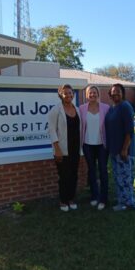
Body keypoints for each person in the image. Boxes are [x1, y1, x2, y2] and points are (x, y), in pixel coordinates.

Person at [48, 84, 81, 212]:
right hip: (62, 149)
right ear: (60, 95)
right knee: (64, 176)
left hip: (75, 149)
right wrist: (56, 149)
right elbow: (51, 130)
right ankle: (63, 200)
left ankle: (71, 199)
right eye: (65, 93)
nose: (68, 95)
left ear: (73, 94)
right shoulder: (56, 110)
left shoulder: (77, 109)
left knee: (74, 175)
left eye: (70, 93)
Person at [105, 83, 135, 211]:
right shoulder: (113, 108)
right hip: (114, 150)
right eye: (113, 91)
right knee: (119, 177)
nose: (115, 93)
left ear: (122, 93)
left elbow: (129, 130)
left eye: (118, 91)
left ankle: (128, 204)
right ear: (110, 94)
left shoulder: (125, 106)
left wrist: (124, 149)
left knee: (125, 178)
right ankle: (122, 200)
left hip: (124, 151)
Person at [79, 86, 110, 211]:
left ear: (98, 94)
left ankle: (103, 199)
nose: (92, 94)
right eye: (90, 93)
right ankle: (94, 196)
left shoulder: (106, 108)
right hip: (87, 145)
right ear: (87, 95)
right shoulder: (81, 109)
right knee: (91, 171)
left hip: (102, 145)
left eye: (94, 92)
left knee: (103, 171)